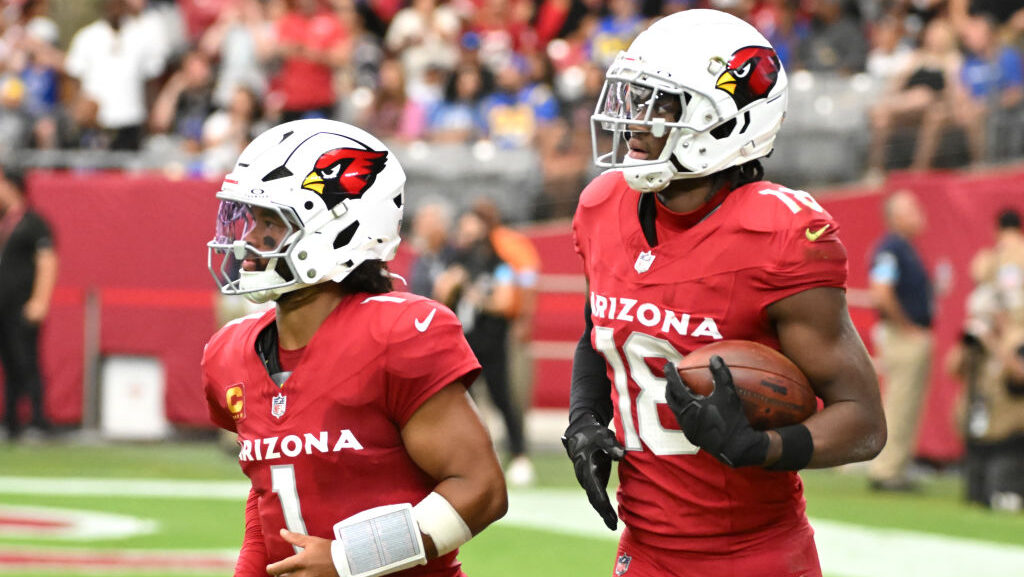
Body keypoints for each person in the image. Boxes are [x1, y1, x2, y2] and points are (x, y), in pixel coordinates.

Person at [563, 10, 886, 577]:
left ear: (725, 121)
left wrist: (761, 448)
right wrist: (586, 418)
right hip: (643, 552)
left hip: (753, 556)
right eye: (633, 99)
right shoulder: (600, 206)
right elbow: (600, 332)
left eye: (659, 105)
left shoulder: (779, 236)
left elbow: (863, 421)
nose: (634, 122)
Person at [202, 118, 507, 577]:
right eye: (250, 219)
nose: (248, 240)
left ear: (338, 228)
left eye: (271, 222)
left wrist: (349, 558)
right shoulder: (233, 351)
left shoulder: (396, 333)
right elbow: (272, 495)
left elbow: (481, 489)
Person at [432, 209, 530, 486]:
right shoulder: (453, 263)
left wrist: (476, 295)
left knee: (503, 399)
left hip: (492, 342)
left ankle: (520, 456)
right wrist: (455, 283)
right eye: (463, 233)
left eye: (472, 233)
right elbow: (440, 296)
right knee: (464, 404)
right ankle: (472, 458)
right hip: (461, 343)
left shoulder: (498, 264)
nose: (466, 239)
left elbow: (503, 302)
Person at [949, 208, 1024, 510]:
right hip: (981, 435)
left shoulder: (1014, 338)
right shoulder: (982, 331)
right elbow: (952, 370)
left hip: (1010, 438)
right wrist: (972, 339)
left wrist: (998, 339)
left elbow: (1018, 375)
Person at [867, 190, 934, 492]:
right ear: (895, 217)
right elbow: (881, 291)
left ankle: (896, 467)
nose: (920, 213)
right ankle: (886, 470)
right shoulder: (891, 249)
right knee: (900, 402)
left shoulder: (904, 248)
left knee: (907, 403)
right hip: (902, 335)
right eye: (912, 209)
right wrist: (907, 327)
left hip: (907, 333)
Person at [0, 165, 57, 441]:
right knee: (8, 364)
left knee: (27, 362)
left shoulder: (34, 223)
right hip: (2, 306)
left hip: (22, 305)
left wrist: (40, 300)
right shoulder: (3, 222)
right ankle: (11, 422)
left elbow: (47, 262)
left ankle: (37, 419)